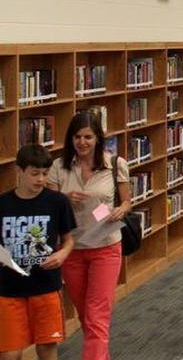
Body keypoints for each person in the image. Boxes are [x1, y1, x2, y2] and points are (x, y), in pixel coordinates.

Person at [45, 112, 131, 360]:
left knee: (96, 314)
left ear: (97, 138)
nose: (82, 142)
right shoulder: (58, 168)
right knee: (86, 315)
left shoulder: (115, 164)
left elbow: (126, 202)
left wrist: (119, 210)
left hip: (105, 246)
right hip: (71, 248)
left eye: (88, 137)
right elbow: (48, 205)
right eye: (77, 137)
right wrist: (63, 199)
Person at [1, 144, 76, 360]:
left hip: (45, 286)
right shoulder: (3, 204)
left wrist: (62, 254)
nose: (41, 179)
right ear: (19, 171)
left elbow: (69, 240)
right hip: (9, 289)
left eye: (45, 174)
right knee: (10, 353)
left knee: (47, 347)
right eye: (35, 174)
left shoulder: (57, 201)